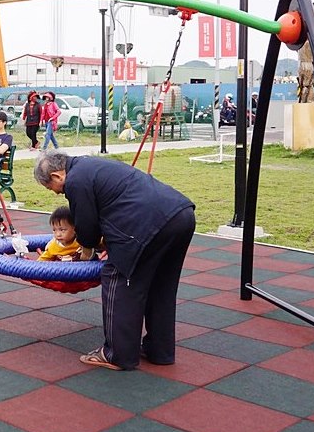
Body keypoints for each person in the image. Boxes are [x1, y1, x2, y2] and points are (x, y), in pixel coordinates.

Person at [33, 150, 195, 371]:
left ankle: (117, 355)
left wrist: (85, 254)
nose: (55, 193)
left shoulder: (75, 180)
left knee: (118, 280)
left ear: (56, 176)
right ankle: (159, 350)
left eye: (50, 188)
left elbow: (86, 226)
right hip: (181, 215)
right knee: (161, 287)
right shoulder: (91, 165)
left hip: (147, 224)